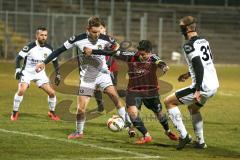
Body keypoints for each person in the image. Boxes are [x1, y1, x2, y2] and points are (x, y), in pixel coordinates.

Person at [35, 16, 132, 139]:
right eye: (94, 32)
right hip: (87, 78)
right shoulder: (77, 39)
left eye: (99, 31)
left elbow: (116, 49)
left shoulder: (106, 39)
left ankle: (129, 125)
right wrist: (44, 62)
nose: (97, 35)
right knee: (81, 109)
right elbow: (59, 50)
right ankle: (79, 132)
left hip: (103, 75)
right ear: (88, 29)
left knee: (115, 98)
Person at [84, 40, 179, 144]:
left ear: (150, 52)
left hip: (150, 91)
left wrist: (164, 67)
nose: (142, 56)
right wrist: (92, 51)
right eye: (141, 54)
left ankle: (168, 131)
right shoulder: (131, 56)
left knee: (159, 114)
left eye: (145, 54)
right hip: (133, 90)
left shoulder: (153, 57)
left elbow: (160, 62)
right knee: (132, 113)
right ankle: (146, 135)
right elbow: (111, 53)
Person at [164, 16, 219, 150]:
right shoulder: (204, 41)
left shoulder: (189, 45)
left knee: (168, 102)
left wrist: (198, 89)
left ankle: (184, 136)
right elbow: (205, 63)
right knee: (193, 109)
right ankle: (200, 142)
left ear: (188, 28)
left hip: (203, 86)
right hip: (214, 85)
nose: (180, 29)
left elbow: (199, 66)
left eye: (181, 27)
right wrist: (188, 74)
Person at [11, 27, 61, 121]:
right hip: (27, 73)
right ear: (37, 35)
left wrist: (58, 74)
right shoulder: (29, 46)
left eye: (45, 35)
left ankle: (52, 112)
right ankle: (14, 112)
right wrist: (18, 70)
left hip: (40, 74)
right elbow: (18, 58)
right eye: (41, 35)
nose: (44, 37)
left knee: (52, 93)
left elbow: (55, 61)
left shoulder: (49, 48)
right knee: (21, 90)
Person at [92, 18, 119, 113]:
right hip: (99, 69)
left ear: (105, 29)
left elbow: (113, 52)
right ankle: (100, 108)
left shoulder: (108, 40)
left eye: (102, 28)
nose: (100, 30)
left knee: (112, 91)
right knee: (95, 88)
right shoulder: (95, 40)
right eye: (99, 28)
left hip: (111, 67)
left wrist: (108, 64)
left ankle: (121, 110)